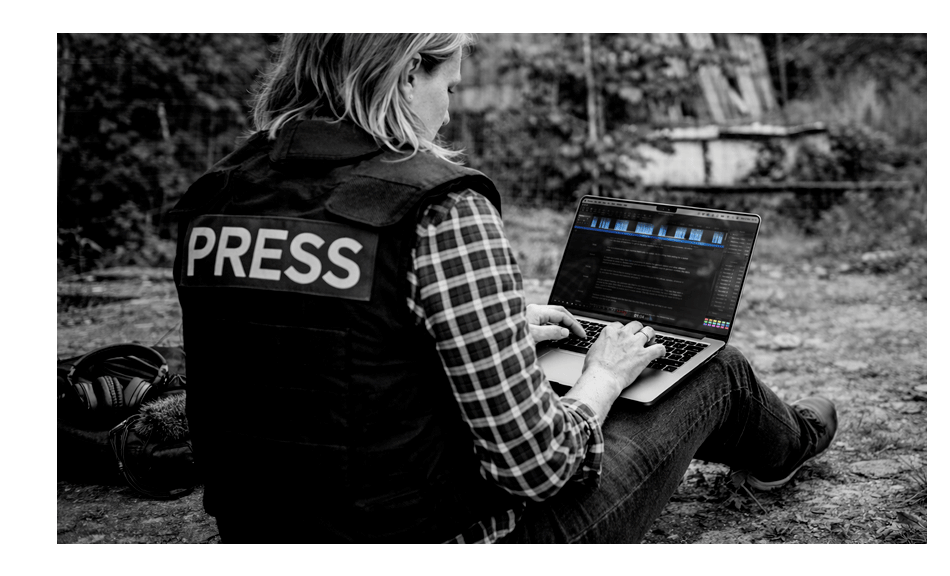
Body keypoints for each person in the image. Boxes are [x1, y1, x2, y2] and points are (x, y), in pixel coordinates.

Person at [170, 33, 837, 544]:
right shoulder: (437, 206)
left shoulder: (217, 198)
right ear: (406, 74)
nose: (449, 114)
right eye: (450, 90)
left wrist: (496, 326)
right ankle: (794, 444)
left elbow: (325, 355)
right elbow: (538, 469)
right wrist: (600, 379)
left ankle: (783, 437)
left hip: (265, 529)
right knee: (715, 368)